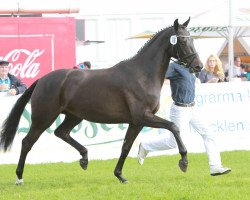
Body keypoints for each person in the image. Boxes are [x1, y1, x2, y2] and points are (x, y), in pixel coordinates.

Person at [137, 62, 231, 176]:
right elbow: (158, 75)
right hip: (179, 110)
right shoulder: (173, 66)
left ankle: (215, 167)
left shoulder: (190, 66)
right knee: (173, 143)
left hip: (193, 108)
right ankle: (145, 146)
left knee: (208, 134)